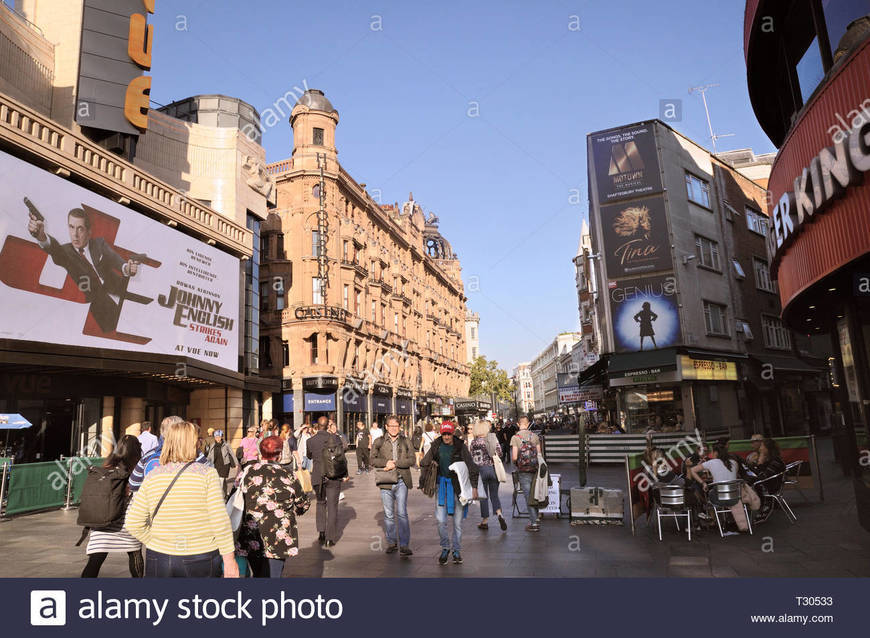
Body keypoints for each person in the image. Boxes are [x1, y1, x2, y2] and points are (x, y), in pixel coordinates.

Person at [125, 420, 238, 578]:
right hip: (201, 553)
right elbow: (219, 520)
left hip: (159, 555)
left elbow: (133, 522)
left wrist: (155, 541)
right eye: (197, 439)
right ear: (192, 443)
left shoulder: (153, 475)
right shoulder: (207, 473)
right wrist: (229, 559)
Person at [27, 205, 141, 333]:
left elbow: (116, 260)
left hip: (124, 295)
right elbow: (54, 249)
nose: (75, 234)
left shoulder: (99, 244)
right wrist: (41, 235)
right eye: (71, 227)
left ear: (89, 231)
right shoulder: (65, 253)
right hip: (102, 308)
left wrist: (127, 268)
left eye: (80, 229)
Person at [237, 436, 311, 578]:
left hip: (253, 533)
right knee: (274, 574)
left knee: (258, 573)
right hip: (278, 534)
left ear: (260, 453)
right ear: (279, 455)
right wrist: (298, 509)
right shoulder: (288, 475)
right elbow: (302, 502)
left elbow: (235, 498)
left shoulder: (246, 473)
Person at [81, 435, 144, 578]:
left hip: (103, 518)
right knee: (135, 553)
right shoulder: (136, 468)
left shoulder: (107, 465)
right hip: (126, 520)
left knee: (95, 560)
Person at [420, 421, 478, 565]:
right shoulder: (436, 445)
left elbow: (471, 466)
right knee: (441, 521)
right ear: (441, 433)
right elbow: (424, 462)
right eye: (444, 434)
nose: (446, 437)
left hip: (458, 488)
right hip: (441, 486)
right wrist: (423, 482)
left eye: (449, 434)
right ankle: (445, 547)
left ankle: (456, 550)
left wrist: (474, 487)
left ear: (453, 433)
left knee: (457, 523)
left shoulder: (460, 446)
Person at [128, 415, 211, 493]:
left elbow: (133, 484)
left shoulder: (148, 456)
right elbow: (210, 480)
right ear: (179, 432)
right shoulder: (194, 454)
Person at [370, 416, 415, 556]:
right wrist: (385, 463)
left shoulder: (405, 440)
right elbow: (372, 459)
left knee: (402, 513)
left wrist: (396, 463)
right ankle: (391, 542)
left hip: (402, 481)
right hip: (386, 482)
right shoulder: (379, 441)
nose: (394, 428)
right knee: (389, 514)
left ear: (399, 427)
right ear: (386, 427)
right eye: (391, 426)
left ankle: (404, 545)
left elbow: (412, 460)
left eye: (396, 426)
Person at [306, 416, 347, 547]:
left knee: (320, 503)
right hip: (333, 476)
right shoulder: (335, 438)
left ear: (317, 426)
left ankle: (321, 533)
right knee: (333, 507)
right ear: (328, 426)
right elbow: (342, 457)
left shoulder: (311, 440)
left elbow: (309, 456)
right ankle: (330, 538)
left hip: (318, 476)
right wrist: (345, 474)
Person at [470, 420, 507, 531]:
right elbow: (500, 453)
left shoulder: (474, 443)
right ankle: (499, 514)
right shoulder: (492, 439)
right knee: (494, 495)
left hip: (481, 471)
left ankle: (485, 521)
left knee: (483, 497)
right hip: (492, 469)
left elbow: (472, 458)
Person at [511, 416, 543, 532]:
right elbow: (539, 454)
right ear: (528, 423)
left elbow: (514, 457)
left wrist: (517, 462)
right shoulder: (534, 436)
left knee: (527, 495)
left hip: (523, 470)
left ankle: (534, 523)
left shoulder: (515, 437)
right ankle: (536, 517)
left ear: (518, 424)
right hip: (535, 469)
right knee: (535, 494)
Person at [206, 429, 240, 498]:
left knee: (220, 481)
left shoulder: (226, 444)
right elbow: (209, 455)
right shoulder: (212, 445)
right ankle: (225, 494)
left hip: (224, 465)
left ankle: (220, 497)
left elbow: (232, 454)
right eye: (216, 437)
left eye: (219, 437)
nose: (217, 438)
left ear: (222, 437)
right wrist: (206, 462)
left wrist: (236, 463)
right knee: (222, 481)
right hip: (215, 465)